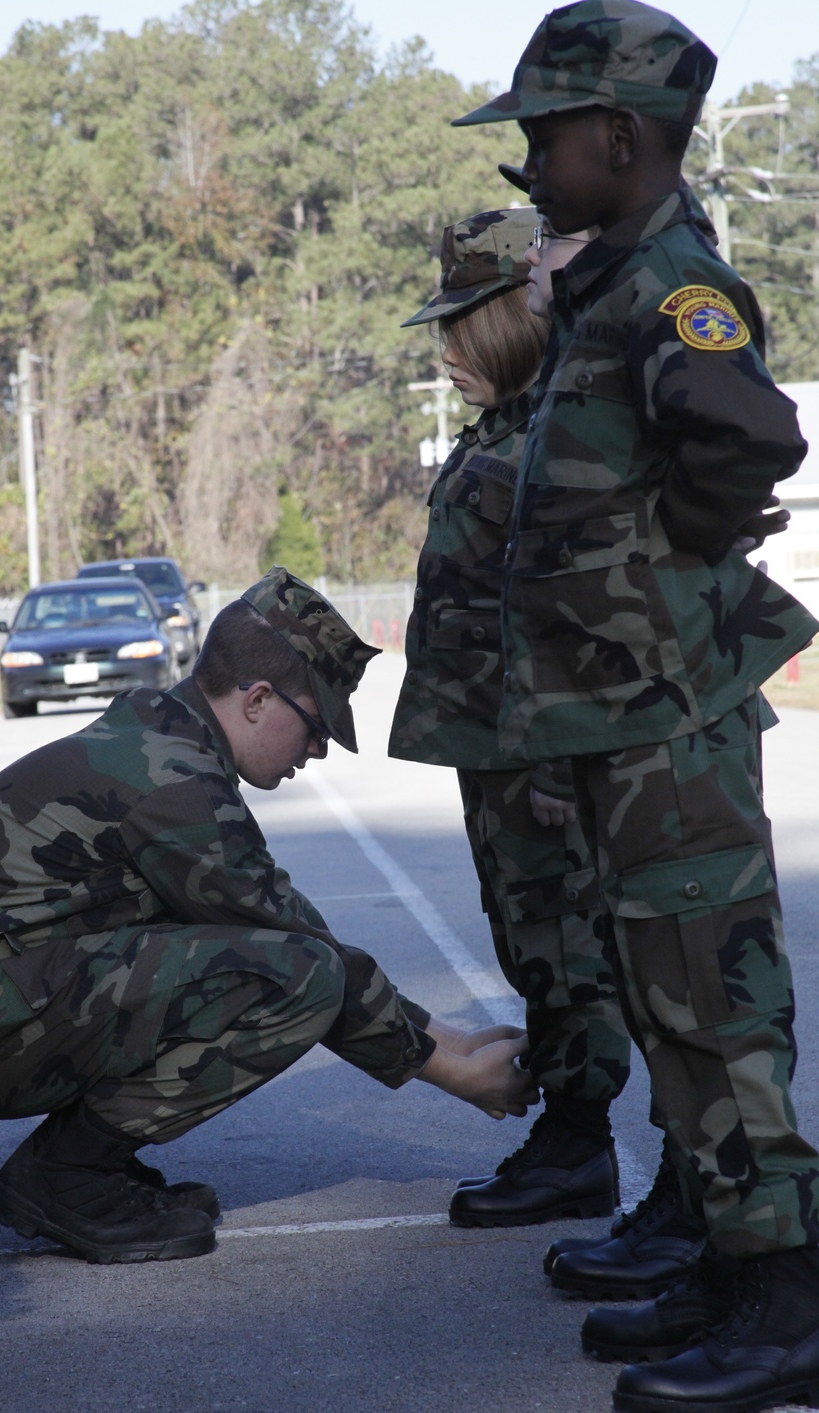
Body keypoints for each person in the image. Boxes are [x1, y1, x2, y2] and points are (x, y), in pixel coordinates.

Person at [454, 0, 819, 1413]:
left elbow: (747, 433)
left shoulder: (674, 282)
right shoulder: (607, 283)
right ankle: (736, 1265)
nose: (529, 163)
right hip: (615, 716)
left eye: (545, 135)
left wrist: (676, 558)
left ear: (621, 136)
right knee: (669, 1009)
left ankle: (787, 1299)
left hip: (668, 713)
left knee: (713, 1012)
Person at [0, 568, 538, 1266]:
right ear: (257, 700)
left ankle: (90, 1162)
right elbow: (302, 951)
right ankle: (68, 1173)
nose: (314, 753)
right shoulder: (174, 782)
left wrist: (448, 1036)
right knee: (294, 979)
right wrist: (453, 1071)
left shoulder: (162, 738)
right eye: (315, 728)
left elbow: (283, 925)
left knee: (263, 959)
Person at [388, 205, 632, 1230]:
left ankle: (581, 1145)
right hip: (493, 740)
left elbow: (572, 608)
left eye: (457, 326)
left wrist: (544, 754)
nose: (444, 351)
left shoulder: (553, 433)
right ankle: (575, 1140)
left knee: (568, 941)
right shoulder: (501, 427)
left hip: (538, 743)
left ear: (508, 319)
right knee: (528, 933)